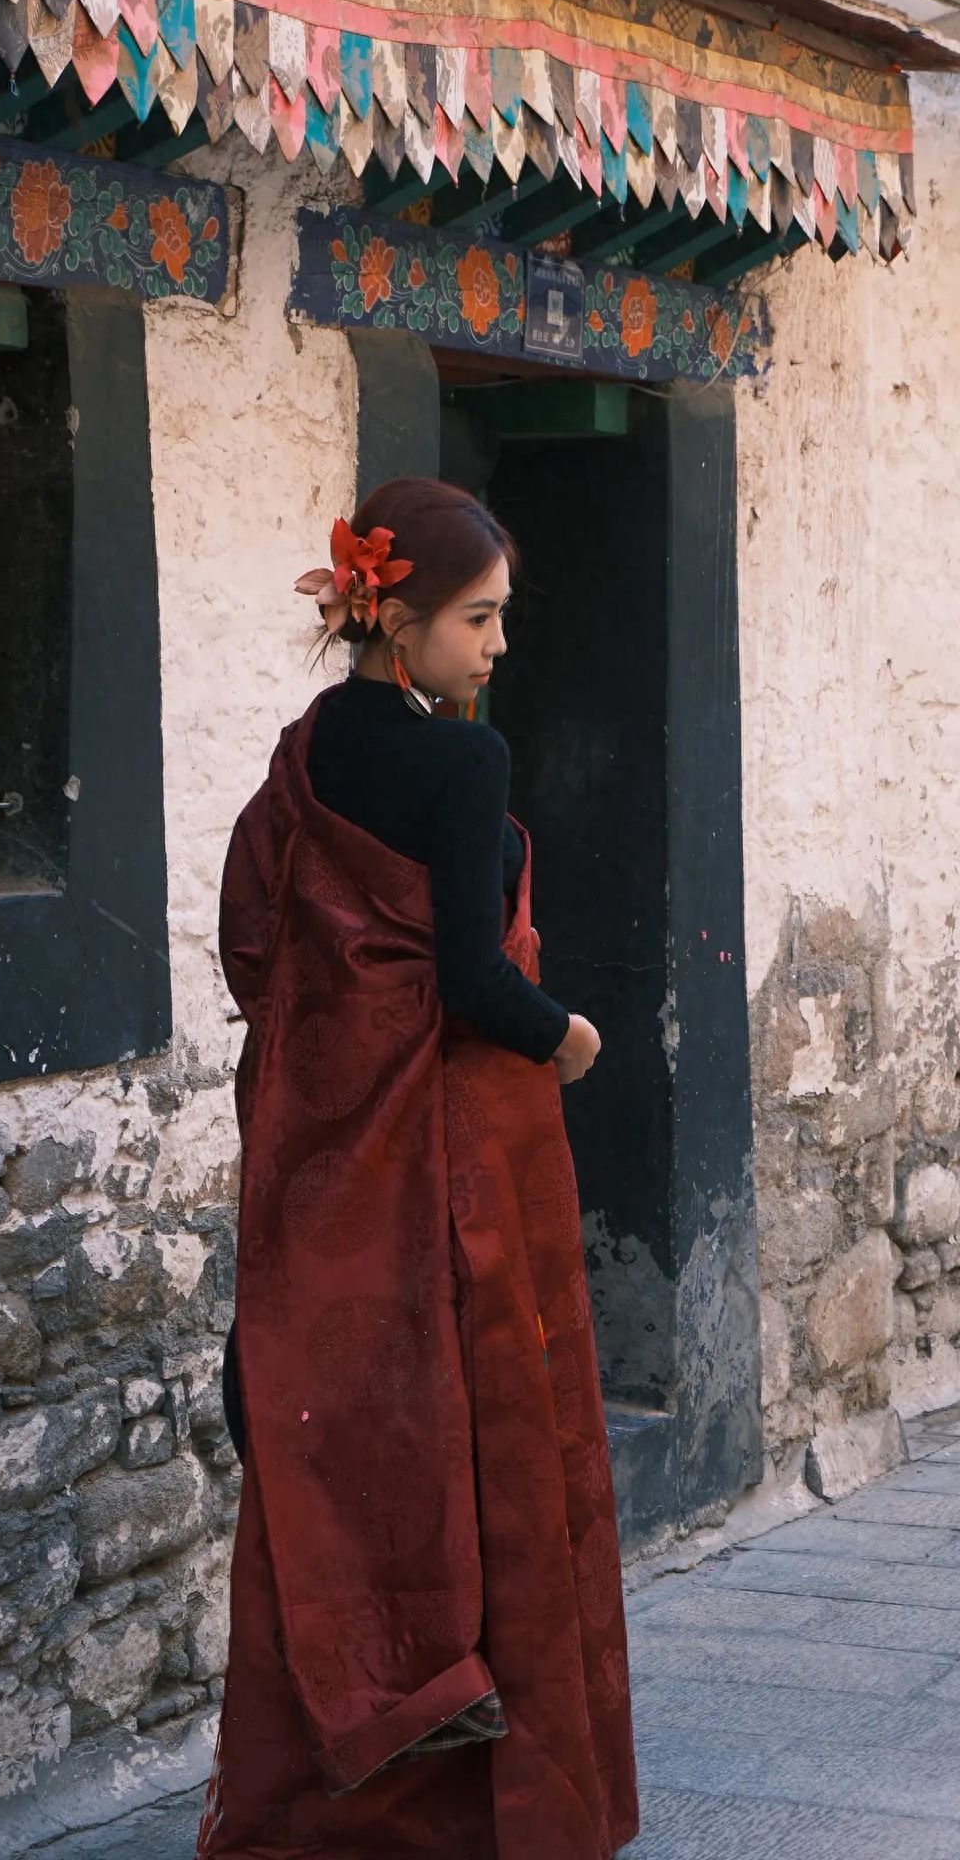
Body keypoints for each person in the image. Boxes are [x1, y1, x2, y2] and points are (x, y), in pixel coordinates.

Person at [196, 478, 639, 1860]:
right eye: (479, 618)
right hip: (464, 1156)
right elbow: (459, 977)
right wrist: (561, 1033)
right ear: (398, 622)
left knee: (359, 1453)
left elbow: (254, 947)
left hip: (332, 1156)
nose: (499, 647)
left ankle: (329, 1811)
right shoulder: (463, 764)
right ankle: (492, 1812)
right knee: (492, 1437)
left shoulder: (308, 750)